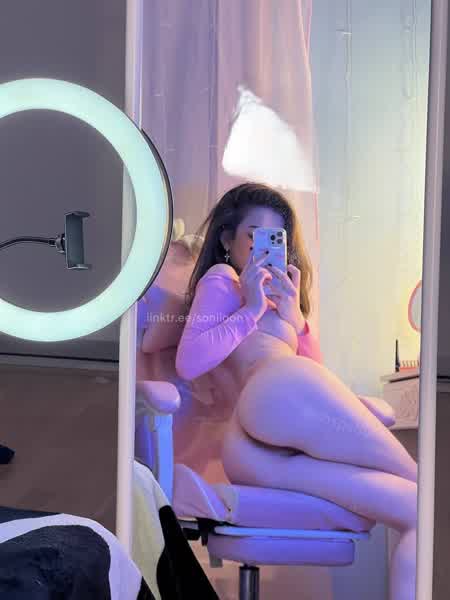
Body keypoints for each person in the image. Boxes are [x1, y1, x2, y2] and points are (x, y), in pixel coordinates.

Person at [175, 182, 417, 600]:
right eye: (254, 236)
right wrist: (252, 308)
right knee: (423, 484)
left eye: (275, 239)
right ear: (227, 240)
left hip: (260, 449)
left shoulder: (282, 303)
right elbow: (189, 361)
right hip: (268, 403)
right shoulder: (224, 279)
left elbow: (315, 384)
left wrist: (296, 321)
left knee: (418, 508)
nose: (263, 249)